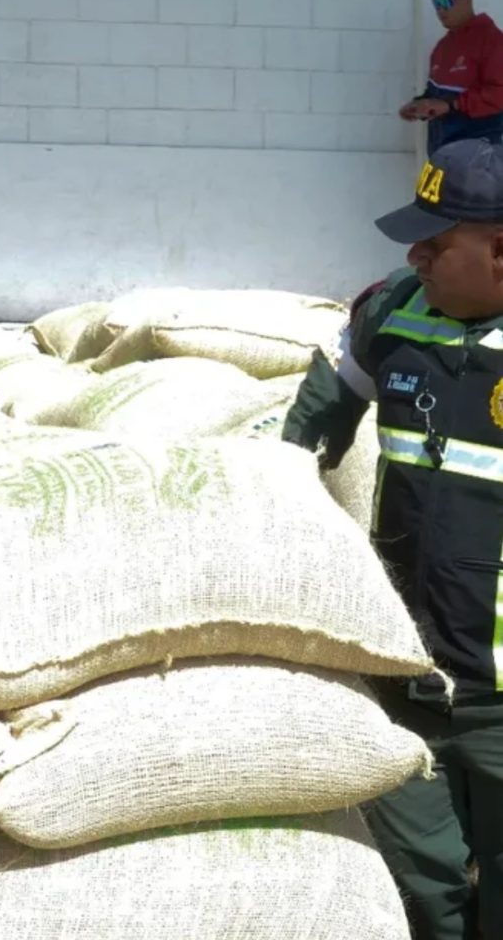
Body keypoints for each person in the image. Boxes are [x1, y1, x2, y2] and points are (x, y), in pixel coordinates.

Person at [282, 136, 503, 940]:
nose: (416, 255)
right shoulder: (390, 311)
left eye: (436, 241)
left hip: (500, 698)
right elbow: (305, 437)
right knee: (425, 889)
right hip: (408, 676)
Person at [399, 0, 503, 155]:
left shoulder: (492, 40)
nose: (440, 10)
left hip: (477, 156)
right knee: (427, 178)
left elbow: (499, 93)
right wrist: (419, 105)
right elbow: (435, 95)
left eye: (445, 2)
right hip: (440, 155)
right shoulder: (442, 47)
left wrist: (452, 105)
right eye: (436, 4)